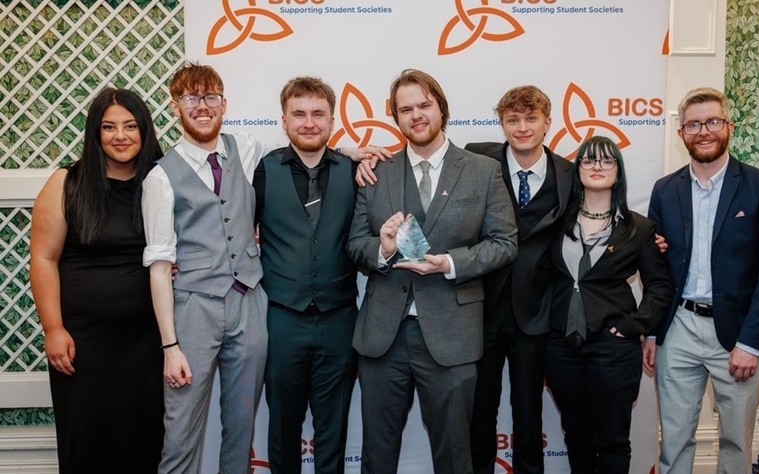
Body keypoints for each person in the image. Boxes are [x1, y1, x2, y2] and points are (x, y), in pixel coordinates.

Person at [347, 69, 518, 474]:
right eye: (405, 109)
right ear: (395, 118)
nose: (416, 115)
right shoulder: (375, 171)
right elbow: (355, 244)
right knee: (377, 454)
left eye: (424, 105)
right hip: (383, 337)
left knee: (455, 455)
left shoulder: (482, 170)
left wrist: (452, 263)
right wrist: (384, 249)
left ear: (442, 108)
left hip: (452, 335)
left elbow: (505, 243)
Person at [644, 87, 759, 473]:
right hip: (679, 329)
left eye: (712, 121)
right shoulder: (665, 190)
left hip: (739, 333)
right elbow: (656, 268)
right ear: (682, 133)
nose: (703, 131)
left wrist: (751, 343)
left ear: (728, 126)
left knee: (736, 441)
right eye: (693, 124)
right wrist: (654, 332)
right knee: (673, 439)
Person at [142, 63, 270, 473]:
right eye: (191, 98)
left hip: (249, 302)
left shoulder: (245, 147)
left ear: (223, 104)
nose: (202, 106)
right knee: (181, 430)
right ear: (175, 105)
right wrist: (170, 347)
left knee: (242, 425)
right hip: (194, 310)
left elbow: (304, 155)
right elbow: (160, 267)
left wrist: (351, 153)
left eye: (210, 97)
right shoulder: (160, 178)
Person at [30, 88, 164, 473]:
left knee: (144, 443)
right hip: (83, 345)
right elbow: (43, 258)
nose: (120, 135)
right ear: (95, 133)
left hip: (147, 343)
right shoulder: (65, 183)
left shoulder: (162, 181)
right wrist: (53, 328)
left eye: (130, 125)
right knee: (87, 442)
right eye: (109, 127)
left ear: (145, 130)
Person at [543, 136, 672, 473]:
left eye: (607, 160)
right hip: (561, 348)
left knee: (613, 440)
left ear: (619, 171)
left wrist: (633, 326)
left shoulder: (639, 229)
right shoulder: (556, 224)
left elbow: (659, 286)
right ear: (577, 170)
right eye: (588, 160)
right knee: (576, 435)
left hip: (612, 348)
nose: (597, 167)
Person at [465, 85, 573, 474]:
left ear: (547, 122)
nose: (522, 127)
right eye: (513, 120)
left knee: (529, 416)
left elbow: (603, 215)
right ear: (502, 124)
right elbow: (422, 152)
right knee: (480, 413)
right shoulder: (476, 158)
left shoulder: (569, 174)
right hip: (482, 308)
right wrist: (353, 154)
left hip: (537, 312)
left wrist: (649, 240)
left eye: (531, 119)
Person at [254, 77, 358, 473]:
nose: (309, 122)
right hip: (282, 320)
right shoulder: (261, 171)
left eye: (318, 114)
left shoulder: (354, 170)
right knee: (282, 428)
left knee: (334, 429)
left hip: (340, 320)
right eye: (299, 114)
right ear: (284, 120)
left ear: (333, 120)